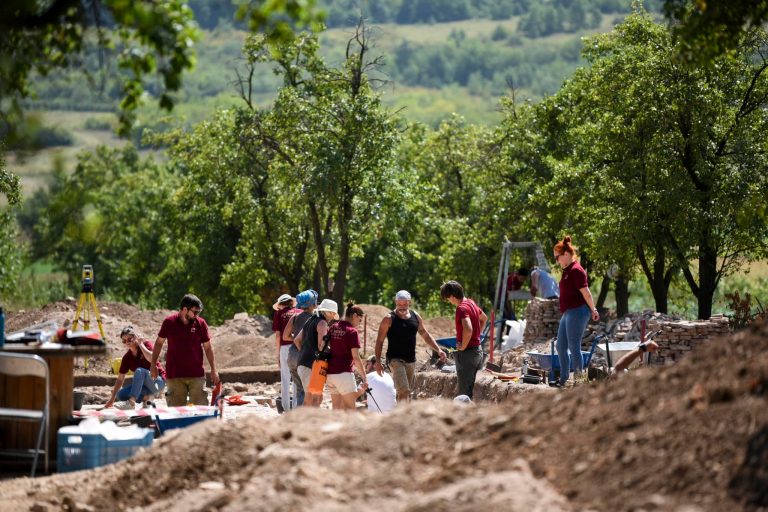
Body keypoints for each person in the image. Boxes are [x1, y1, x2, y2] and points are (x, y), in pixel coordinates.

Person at [374, 290, 447, 403]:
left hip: (411, 360)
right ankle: (402, 418)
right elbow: (379, 341)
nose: (402, 307)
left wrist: (438, 350)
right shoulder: (388, 319)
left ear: (409, 302)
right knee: (404, 390)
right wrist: (378, 361)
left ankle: (401, 414)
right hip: (395, 359)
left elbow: (425, 334)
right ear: (395, 302)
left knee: (406, 393)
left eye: (404, 304)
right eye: (399, 304)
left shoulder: (415, 316)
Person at [150, 294, 220, 406]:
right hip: (175, 376)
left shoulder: (201, 323)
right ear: (184, 309)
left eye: (199, 312)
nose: (197, 315)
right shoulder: (169, 322)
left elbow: (208, 347)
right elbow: (158, 343)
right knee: (176, 413)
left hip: (197, 375)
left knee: (200, 412)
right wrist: (153, 365)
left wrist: (213, 369)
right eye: (195, 312)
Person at [553, 236, 600, 387]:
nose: (556, 261)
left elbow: (586, 292)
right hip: (568, 312)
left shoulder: (576, 271)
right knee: (560, 346)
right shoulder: (567, 271)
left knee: (574, 346)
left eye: (557, 257)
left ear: (565, 254)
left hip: (578, 311)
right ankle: (564, 379)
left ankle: (579, 381)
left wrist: (593, 309)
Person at [440, 280, 488, 400]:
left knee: (463, 394)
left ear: (452, 296)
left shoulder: (461, 309)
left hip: (467, 354)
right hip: (478, 351)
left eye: (447, 298)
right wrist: (478, 335)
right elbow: (484, 318)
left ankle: (464, 417)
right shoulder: (471, 303)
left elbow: (468, 328)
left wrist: (463, 346)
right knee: (471, 389)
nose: (448, 301)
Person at [106, 326, 166, 410]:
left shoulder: (146, 345)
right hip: (144, 387)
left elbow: (153, 359)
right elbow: (120, 379)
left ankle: (131, 402)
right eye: (124, 340)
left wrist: (140, 344)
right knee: (120, 394)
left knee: (139, 370)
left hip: (157, 382)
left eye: (129, 339)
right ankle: (147, 398)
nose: (127, 342)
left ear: (135, 337)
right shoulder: (127, 357)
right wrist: (112, 400)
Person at [324, 302, 368, 410]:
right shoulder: (352, 331)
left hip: (330, 374)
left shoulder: (333, 327)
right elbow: (356, 357)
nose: (360, 323)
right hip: (344, 373)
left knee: (337, 410)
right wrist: (364, 377)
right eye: (360, 319)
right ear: (354, 316)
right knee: (350, 410)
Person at [294, 298, 337, 407]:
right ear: (329, 312)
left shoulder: (310, 320)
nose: (333, 318)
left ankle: (306, 421)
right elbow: (321, 346)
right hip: (311, 365)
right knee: (314, 398)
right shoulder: (322, 323)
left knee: (313, 397)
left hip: (303, 363)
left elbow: (296, 340)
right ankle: (307, 422)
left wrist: (305, 353)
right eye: (333, 314)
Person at [282, 289, 319, 408]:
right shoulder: (315, 319)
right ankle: (305, 418)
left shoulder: (295, 316)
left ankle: (298, 416)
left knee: (299, 390)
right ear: (312, 303)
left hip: (291, 356)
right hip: (304, 357)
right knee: (308, 391)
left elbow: (285, 336)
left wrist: (296, 339)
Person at [272, 293, 298, 412]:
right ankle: (297, 406)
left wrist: (277, 355)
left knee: (285, 378)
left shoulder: (279, 314)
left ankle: (286, 408)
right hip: (298, 346)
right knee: (297, 378)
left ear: (280, 304)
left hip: (284, 347)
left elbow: (278, 336)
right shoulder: (298, 312)